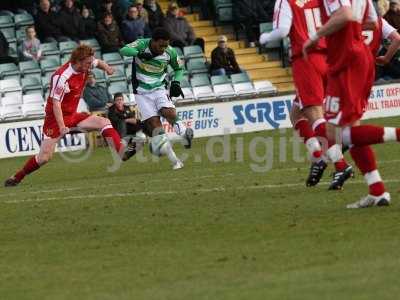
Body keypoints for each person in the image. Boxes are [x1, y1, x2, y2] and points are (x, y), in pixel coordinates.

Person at [303, 0, 400, 208]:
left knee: (332, 133)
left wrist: (316, 36)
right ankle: (377, 191)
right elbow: (372, 23)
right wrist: (346, 33)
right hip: (360, 59)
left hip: (346, 63)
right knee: (350, 129)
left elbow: (345, 14)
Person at [4, 45, 131, 187]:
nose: (91, 66)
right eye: (88, 63)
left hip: (72, 115)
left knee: (103, 121)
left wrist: (107, 68)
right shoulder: (61, 77)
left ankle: (121, 151)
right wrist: (62, 126)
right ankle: (17, 177)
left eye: (90, 63)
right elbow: (55, 104)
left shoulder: (86, 64)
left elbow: (98, 62)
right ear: (78, 61)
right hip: (55, 120)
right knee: (44, 157)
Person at [259, 0, 354, 189]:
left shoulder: (286, 1)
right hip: (329, 58)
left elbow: (283, 30)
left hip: (306, 60)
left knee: (316, 117)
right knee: (296, 113)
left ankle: (341, 164)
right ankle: (318, 157)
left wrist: (265, 37)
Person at [119, 27, 194, 168]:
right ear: (153, 41)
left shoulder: (170, 52)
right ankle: (176, 162)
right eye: (161, 45)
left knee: (168, 112)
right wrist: (140, 53)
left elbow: (179, 69)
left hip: (160, 88)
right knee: (155, 126)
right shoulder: (142, 44)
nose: (163, 49)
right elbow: (123, 50)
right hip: (141, 93)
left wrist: (176, 82)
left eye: (166, 45)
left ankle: (185, 133)